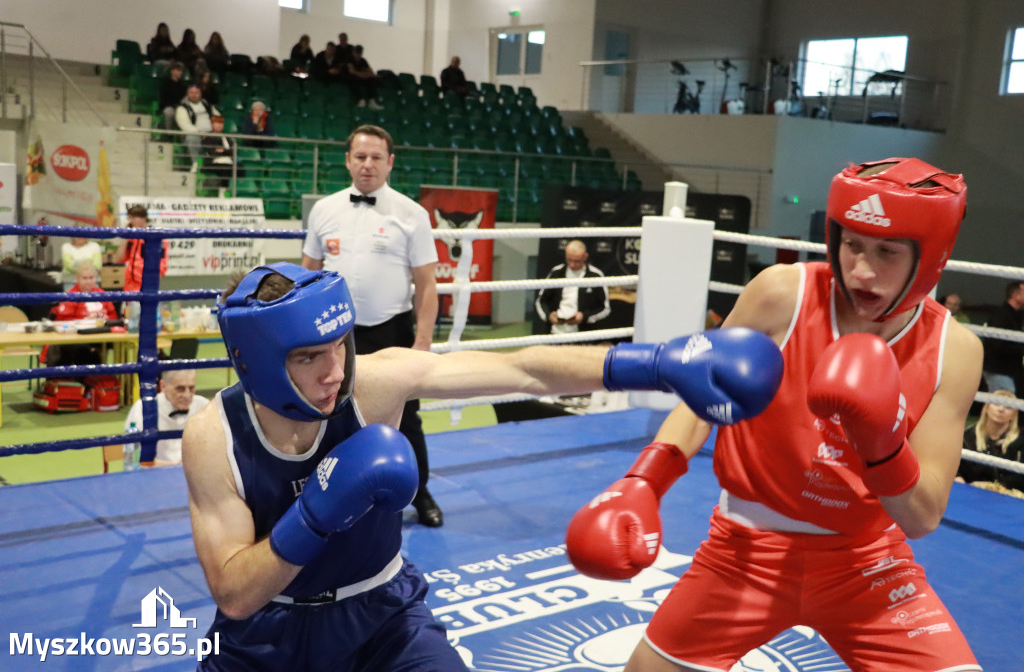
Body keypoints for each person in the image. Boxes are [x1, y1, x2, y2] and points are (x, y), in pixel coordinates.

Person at [182, 261, 782, 670]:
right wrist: (316, 511)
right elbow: (234, 595)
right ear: (255, 361)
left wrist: (651, 363)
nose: (334, 370)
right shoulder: (215, 436)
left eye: (339, 344)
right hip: (268, 640)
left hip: (383, 617)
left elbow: (523, 368)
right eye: (309, 356)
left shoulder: (375, 386)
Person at [566, 157, 985, 671]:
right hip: (742, 554)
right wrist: (646, 480)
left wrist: (884, 442)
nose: (861, 269)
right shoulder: (783, 293)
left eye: (887, 252)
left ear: (932, 258)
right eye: (851, 243)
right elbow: (706, 395)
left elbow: (922, 516)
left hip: (866, 563)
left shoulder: (954, 350)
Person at [301, 124, 442, 526]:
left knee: (406, 414)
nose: (367, 165)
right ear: (348, 161)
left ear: (390, 162)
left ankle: (421, 492)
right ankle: (327, 495)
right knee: (325, 412)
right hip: (335, 332)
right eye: (360, 157)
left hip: (392, 329)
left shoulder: (411, 214)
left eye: (376, 157)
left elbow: (427, 284)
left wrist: (423, 342)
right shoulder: (325, 210)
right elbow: (308, 271)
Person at [125, 369, 209, 466]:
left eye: (191, 388)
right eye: (180, 389)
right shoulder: (143, 408)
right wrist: (176, 467)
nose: (187, 395)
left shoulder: (204, 406)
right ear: (163, 386)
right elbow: (132, 458)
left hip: (194, 474)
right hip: (155, 475)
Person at [44, 261, 117, 369]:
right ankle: (83, 380)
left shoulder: (101, 294)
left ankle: (112, 380)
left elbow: (114, 317)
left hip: (100, 334)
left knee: (120, 343)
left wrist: (107, 319)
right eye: (85, 278)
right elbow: (62, 322)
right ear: (78, 279)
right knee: (83, 351)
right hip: (77, 337)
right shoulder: (71, 296)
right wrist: (85, 320)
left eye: (91, 278)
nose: (88, 281)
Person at [535, 239, 610, 334]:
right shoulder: (556, 272)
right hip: (555, 333)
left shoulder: (595, 275)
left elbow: (605, 308)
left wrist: (584, 317)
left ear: (585, 257)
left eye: (577, 261)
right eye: (569, 260)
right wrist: (548, 316)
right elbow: (541, 301)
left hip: (583, 336)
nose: (572, 264)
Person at [957, 390, 1023, 491]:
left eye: (1007, 407)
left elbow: (1019, 478)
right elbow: (953, 465)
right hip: (968, 492)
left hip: (1005, 496)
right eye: (996, 403)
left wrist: (996, 486)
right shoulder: (967, 436)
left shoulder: (1020, 442)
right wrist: (959, 481)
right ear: (987, 407)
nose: (1001, 409)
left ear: (1014, 414)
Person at [113, 205, 168, 292]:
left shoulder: (156, 237)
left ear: (143, 218)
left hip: (147, 286)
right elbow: (117, 260)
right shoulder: (132, 238)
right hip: (129, 286)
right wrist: (126, 237)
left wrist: (150, 285)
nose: (131, 221)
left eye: (134, 218)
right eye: (130, 218)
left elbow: (162, 266)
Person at [982, 280, 1024, 395]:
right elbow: (997, 345)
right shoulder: (1001, 315)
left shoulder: (1017, 315)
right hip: (998, 369)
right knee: (1003, 405)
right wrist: (1021, 351)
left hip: (1009, 370)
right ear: (1016, 296)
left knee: (1007, 404)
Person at [175, 83, 221, 170]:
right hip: (195, 134)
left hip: (211, 134)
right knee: (192, 137)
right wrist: (200, 133)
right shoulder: (182, 108)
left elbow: (218, 118)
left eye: (196, 93)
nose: (194, 95)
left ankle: (220, 163)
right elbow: (184, 125)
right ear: (187, 94)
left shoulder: (208, 106)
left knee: (229, 139)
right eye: (191, 92)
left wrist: (214, 131)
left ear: (200, 94)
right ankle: (195, 163)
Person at [200, 115, 238, 190]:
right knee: (225, 169)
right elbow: (213, 152)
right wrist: (226, 152)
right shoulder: (207, 138)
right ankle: (223, 190)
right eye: (217, 123)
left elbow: (233, 151)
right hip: (212, 163)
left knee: (240, 168)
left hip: (228, 162)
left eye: (221, 123)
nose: (219, 125)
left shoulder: (227, 138)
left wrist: (222, 150)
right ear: (212, 124)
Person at [347, 45, 381, 109]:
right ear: (353, 52)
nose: (358, 54)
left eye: (359, 52)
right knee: (354, 79)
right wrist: (363, 74)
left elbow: (371, 73)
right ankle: (361, 100)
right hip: (352, 79)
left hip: (362, 78)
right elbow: (352, 71)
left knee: (372, 80)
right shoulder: (350, 60)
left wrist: (364, 75)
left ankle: (371, 101)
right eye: (356, 52)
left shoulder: (363, 61)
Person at [157, 61, 187, 131]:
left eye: (181, 71)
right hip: (168, 106)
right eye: (179, 71)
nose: (181, 73)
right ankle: (168, 134)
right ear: (172, 71)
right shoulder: (165, 83)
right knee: (169, 113)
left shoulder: (182, 85)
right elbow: (163, 98)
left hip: (179, 107)